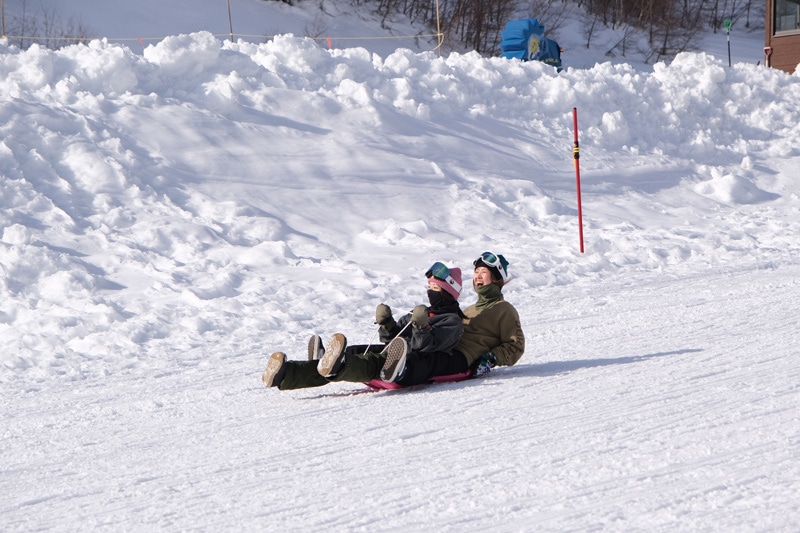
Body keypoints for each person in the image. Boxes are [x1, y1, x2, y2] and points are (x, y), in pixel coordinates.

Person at [262, 251, 525, 390]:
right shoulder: (468, 309)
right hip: (442, 348)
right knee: (357, 353)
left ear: (497, 278)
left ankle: (391, 369)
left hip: (458, 358)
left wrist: (490, 359)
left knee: (385, 361)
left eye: (484, 272)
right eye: (476, 272)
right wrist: (389, 326)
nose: (477, 277)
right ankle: (290, 373)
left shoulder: (504, 310)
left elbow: (516, 346)